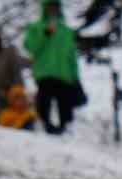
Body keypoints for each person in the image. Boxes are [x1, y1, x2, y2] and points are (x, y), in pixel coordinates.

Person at [22, 0, 86, 135]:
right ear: (45, 8)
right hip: (44, 72)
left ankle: (65, 127)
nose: (53, 9)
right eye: (50, 6)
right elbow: (31, 47)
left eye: (56, 6)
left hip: (64, 74)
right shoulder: (36, 28)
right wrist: (45, 33)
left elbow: (72, 56)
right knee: (44, 99)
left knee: (65, 102)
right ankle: (43, 123)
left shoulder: (67, 31)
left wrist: (75, 76)